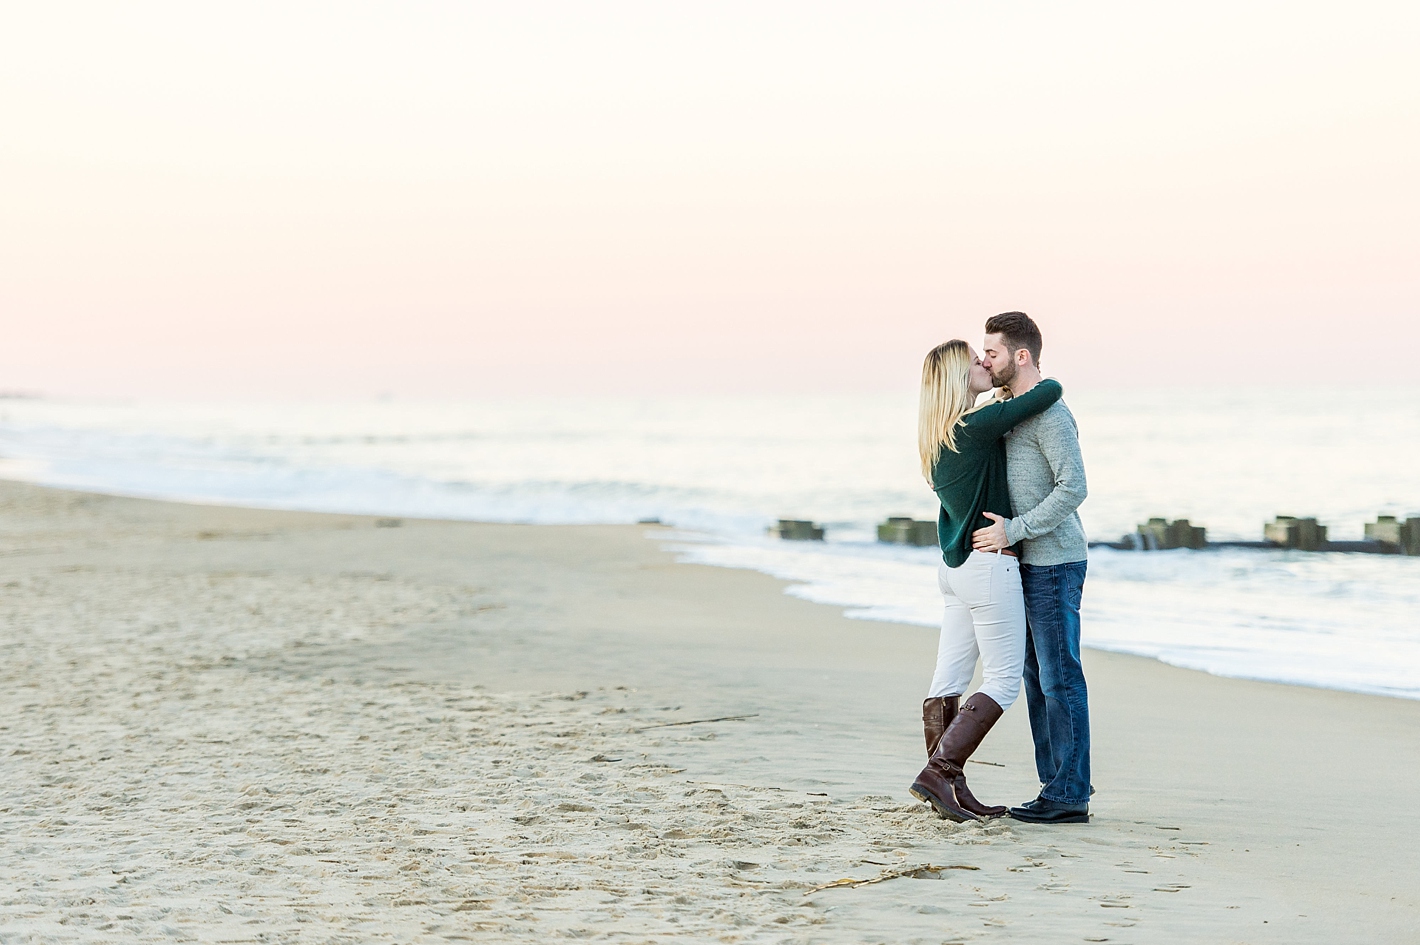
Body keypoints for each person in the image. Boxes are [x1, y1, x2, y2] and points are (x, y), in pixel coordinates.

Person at [908, 339, 1063, 822]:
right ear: (956, 378)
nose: (983, 364)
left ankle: (949, 788)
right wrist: (1020, 375)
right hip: (989, 568)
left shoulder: (938, 438)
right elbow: (1047, 391)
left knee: (947, 680)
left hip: (955, 571)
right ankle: (941, 769)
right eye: (974, 362)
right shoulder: (974, 428)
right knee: (1002, 681)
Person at [972, 311, 1091, 825]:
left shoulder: (1051, 414)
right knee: (1035, 676)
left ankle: (1070, 793)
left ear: (1021, 356)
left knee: (1060, 678)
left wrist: (1013, 530)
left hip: (1056, 562)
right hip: (1021, 565)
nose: (985, 360)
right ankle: (1055, 786)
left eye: (993, 352)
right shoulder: (1007, 407)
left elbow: (1074, 488)